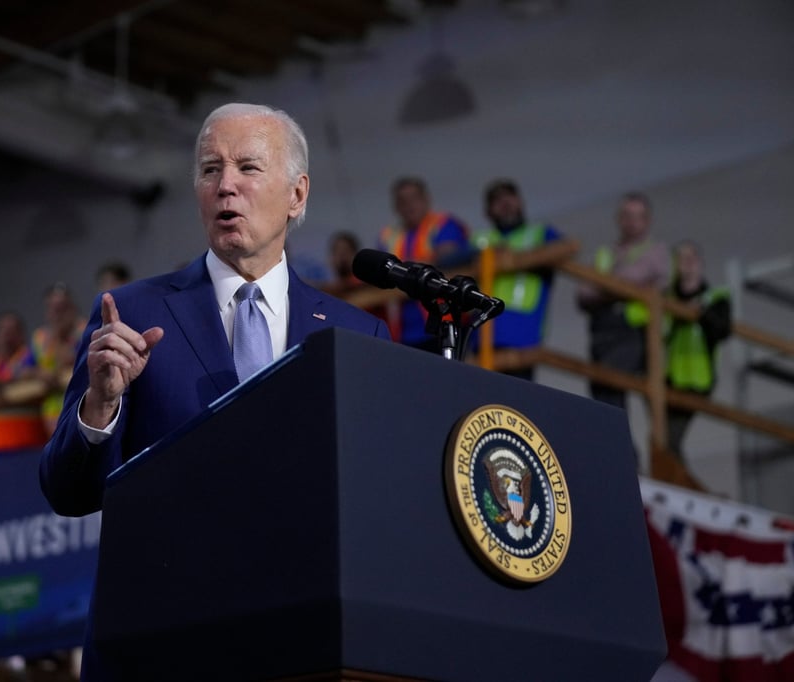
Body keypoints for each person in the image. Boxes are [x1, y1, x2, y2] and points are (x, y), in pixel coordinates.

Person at [39, 102, 390, 678]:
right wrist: (100, 405)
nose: (226, 185)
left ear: (297, 195)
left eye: (248, 168)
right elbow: (66, 491)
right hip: (162, 648)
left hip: (302, 645)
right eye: (210, 170)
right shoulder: (130, 313)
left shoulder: (357, 333)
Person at [470, 179, 575, 380]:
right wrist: (482, 254)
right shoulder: (480, 239)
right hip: (481, 337)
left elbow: (568, 248)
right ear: (488, 211)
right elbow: (450, 259)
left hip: (522, 338)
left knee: (516, 404)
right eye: (497, 200)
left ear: (521, 202)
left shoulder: (540, 234)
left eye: (509, 197)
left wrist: (519, 257)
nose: (505, 203)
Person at [577, 192, 671, 412]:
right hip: (601, 333)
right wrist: (622, 287)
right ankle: (620, 446)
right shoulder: (605, 253)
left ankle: (625, 446)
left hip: (634, 332)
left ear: (647, 221)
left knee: (610, 384)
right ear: (618, 219)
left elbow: (644, 279)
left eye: (637, 216)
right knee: (602, 396)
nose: (631, 222)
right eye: (627, 215)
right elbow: (583, 293)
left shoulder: (656, 251)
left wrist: (605, 286)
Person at [376, 177, 472, 348]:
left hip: (445, 325)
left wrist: (404, 267)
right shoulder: (388, 235)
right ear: (396, 207)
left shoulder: (443, 224)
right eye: (403, 201)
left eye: (414, 198)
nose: (409, 205)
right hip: (403, 334)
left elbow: (449, 256)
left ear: (426, 199)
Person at [664, 241, 731, 458]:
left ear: (700, 263)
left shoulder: (716, 297)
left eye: (692, 258)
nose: (688, 264)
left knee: (670, 439)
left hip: (699, 380)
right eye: (682, 259)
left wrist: (701, 313)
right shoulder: (665, 297)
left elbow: (723, 330)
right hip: (670, 379)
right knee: (665, 439)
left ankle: (679, 486)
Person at [0, 311, 47, 454]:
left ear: (22, 334)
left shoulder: (32, 358)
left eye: (13, 330)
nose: (7, 335)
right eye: (2, 330)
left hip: (30, 446)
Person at [32, 283, 87, 437]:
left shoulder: (87, 330)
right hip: (53, 418)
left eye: (62, 308)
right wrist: (37, 372)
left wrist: (60, 339)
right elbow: (22, 369)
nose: (58, 314)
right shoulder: (40, 338)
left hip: (84, 410)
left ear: (73, 308)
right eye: (53, 309)